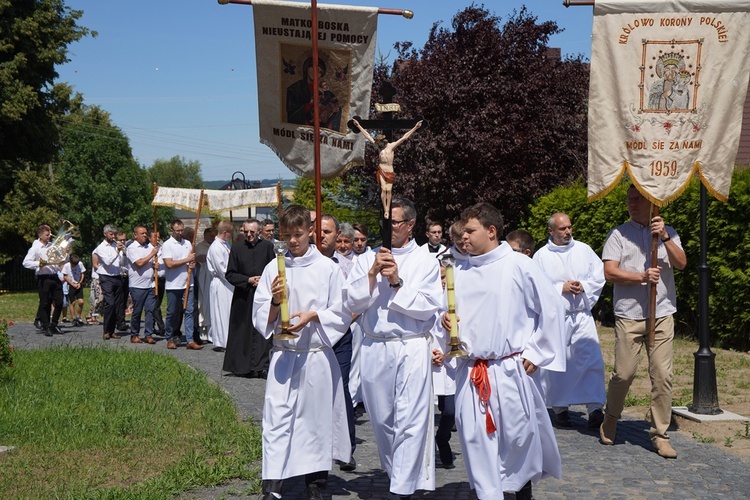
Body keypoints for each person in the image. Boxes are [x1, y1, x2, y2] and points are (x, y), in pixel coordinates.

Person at [442, 202, 565, 500]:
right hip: (472, 372)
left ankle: (522, 494)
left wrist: (536, 353)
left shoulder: (519, 265)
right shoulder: (459, 269)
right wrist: (445, 321)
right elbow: (448, 312)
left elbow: (551, 308)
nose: (464, 238)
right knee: (475, 442)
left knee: (517, 440)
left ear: (492, 231)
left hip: (509, 370)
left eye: (471, 231)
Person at [343, 197, 443, 499]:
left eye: (394, 223)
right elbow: (351, 303)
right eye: (385, 223)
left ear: (410, 225)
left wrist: (397, 282)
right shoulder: (365, 259)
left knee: (410, 418)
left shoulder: (426, 261)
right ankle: (398, 474)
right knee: (383, 420)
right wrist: (372, 274)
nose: (388, 228)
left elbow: (428, 308)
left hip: (410, 346)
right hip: (375, 346)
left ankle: (402, 489)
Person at [253, 205, 351, 500]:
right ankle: (272, 485)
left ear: (310, 231)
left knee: (314, 422)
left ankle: (316, 484)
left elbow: (342, 311)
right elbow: (261, 317)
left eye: (298, 234)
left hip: (315, 354)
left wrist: (315, 316)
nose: (293, 241)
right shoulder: (274, 267)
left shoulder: (328, 269)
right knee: (276, 419)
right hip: (284, 355)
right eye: (287, 236)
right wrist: (273, 300)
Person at [599, 185, 687, 459]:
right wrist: (640, 277)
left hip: (661, 312)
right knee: (624, 373)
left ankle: (660, 434)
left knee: (662, 374)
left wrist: (665, 238)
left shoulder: (668, 232)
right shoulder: (619, 234)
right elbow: (610, 272)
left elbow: (682, 263)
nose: (632, 204)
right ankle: (610, 418)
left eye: (638, 199)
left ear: (653, 203)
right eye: (630, 199)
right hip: (630, 314)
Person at [533, 213, 607, 428]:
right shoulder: (541, 256)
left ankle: (595, 409)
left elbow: (599, 275)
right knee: (558, 363)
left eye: (569, 228)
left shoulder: (583, 250)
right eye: (562, 229)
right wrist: (560, 288)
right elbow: (536, 287)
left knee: (591, 359)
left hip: (581, 315)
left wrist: (584, 286)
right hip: (557, 319)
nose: (567, 232)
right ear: (551, 231)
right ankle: (560, 409)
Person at [319, 213, 357, 472]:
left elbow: (355, 301)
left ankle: (347, 448)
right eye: (318, 231)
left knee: (341, 389)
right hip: (311, 336)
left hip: (340, 335)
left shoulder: (347, 266)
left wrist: (342, 323)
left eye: (328, 232)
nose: (322, 236)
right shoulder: (300, 262)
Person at [223, 219, 275, 377]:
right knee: (242, 331)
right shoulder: (237, 248)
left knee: (261, 331)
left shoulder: (267, 247)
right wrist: (247, 280)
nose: (249, 235)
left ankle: (261, 366)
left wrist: (264, 280)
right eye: (246, 232)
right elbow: (230, 274)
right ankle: (242, 366)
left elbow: (274, 269)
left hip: (262, 296)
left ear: (259, 232)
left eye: (252, 232)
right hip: (243, 297)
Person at [351, 118, 423, 218]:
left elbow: (404, 138)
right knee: (383, 189)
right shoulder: (378, 147)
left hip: (389, 171)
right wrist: (358, 125)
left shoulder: (391, 146)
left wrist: (415, 127)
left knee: (388, 191)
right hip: (382, 170)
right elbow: (367, 135)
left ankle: (387, 208)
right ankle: (386, 210)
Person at [162, 219, 201, 350]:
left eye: (182, 230)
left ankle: (189, 339)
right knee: (172, 312)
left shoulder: (188, 243)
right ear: (172, 230)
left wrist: (192, 264)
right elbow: (169, 264)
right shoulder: (167, 245)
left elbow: (191, 261)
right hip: (174, 284)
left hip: (188, 282)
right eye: (177, 230)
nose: (180, 233)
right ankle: (170, 337)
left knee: (189, 311)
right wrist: (187, 260)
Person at [432, 261, 456, 470]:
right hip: (427, 359)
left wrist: (446, 355)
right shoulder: (426, 298)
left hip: (449, 362)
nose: (441, 283)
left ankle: (442, 438)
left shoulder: (456, 299)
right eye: (437, 278)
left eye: (443, 278)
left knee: (449, 411)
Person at [22, 224, 64, 336]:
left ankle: (54, 324)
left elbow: (62, 259)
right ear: (40, 235)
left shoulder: (52, 246)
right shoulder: (35, 248)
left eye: (50, 233)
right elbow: (25, 263)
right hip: (44, 278)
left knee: (60, 302)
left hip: (55, 276)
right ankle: (46, 326)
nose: (49, 236)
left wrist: (65, 252)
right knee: (46, 302)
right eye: (47, 234)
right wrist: (39, 263)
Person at [286, 56, 342, 131]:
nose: (316, 73)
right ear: (306, 68)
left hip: (322, 133)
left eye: (320, 72)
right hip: (302, 132)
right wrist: (308, 106)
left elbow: (337, 111)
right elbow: (291, 117)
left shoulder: (327, 93)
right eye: (314, 68)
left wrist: (330, 112)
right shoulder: (294, 90)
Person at [126, 225, 159, 344]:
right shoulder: (131, 248)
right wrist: (152, 254)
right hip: (137, 285)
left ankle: (148, 334)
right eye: (142, 233)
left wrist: (155, 265)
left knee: (150, 310)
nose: (145, 235)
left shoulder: (149, 246)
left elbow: (152, 262)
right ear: (135, 235)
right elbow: (139, 263)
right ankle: (134, 334)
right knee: (138, 310)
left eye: (146, 233)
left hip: (150, 284)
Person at [94, 224, 126, 341]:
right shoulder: (100, 248)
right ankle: (106, 330)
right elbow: (107, 262)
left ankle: (112, 331)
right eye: (111, 234)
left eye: (114, 234)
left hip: (117, 276)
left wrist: (123, 252)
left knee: (117, 305)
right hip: (106, 277)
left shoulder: (115, 245)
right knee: (110, 303)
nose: (113, 237)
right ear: (105, 234)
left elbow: (122, 263)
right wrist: (117, 251)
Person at [206, 221, 235, 351]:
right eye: (231, 233)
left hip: (228, 283)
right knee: (221, 311)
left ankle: (229, 339)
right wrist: (235, 277)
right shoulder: (216, 247)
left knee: (228, 311)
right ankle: (221, 341)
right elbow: (221, 269)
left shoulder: (226, 244)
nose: (232, 236)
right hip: (221, 282)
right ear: (224, 233)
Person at [195, 227, 217, 342]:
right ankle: (203, 331)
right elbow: (198, 257)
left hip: (214, 279)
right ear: (205, 236)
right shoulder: (200, 246)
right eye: (210, 236)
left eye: (214, 235)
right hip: (204, 278)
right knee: (204, 303)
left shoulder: (217, 245)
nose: (212, 238)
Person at [62, 254, 86, 327]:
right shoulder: (66, 266)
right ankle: (74, 318)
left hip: (78, 284)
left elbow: (82, 273)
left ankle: (78, 316)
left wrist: (80, 282)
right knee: (72, 303)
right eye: (73, 264)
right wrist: (72, 284)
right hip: (71, 285)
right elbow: (65, 276)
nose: (75, 266)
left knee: (81, 302)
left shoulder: (80, 264)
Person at [115, 231, 130, 332]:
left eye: (124, 239)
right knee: (118, 300)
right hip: (117, 276)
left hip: (126, 275)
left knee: (124, 299)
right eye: (120, 240)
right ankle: (118, 321)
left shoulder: (127, 250)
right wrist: (119, 251)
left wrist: (125, 253)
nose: (123, 242)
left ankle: (122, 319)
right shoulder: (114, 250)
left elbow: (127, 263)